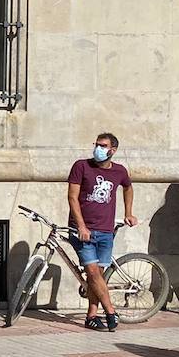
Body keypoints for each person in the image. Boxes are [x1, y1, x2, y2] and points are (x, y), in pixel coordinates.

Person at [66, 132, 137, 331]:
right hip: (83, 230)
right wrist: (80, 226)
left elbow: (128, 188)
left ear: (112, 150)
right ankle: (110, 312)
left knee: (97, 277)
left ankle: (91, 316)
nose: (98, 148)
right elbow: (72, 198)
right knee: (93, 272)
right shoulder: (81, 166)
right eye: (96, 144)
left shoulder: (120, 171)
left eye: (103, 145)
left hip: (106, 230)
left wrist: (129, 212)